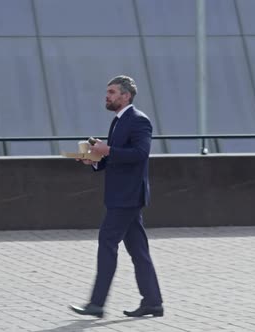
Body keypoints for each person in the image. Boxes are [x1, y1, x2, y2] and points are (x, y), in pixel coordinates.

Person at [69, 75, 163, 318]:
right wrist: (93, 159)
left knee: (107, 243)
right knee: (139, 252)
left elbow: (141, 153)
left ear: (126, 96)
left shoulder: (139, 121)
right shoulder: (118, 121)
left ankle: (97, 304)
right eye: (107, 92)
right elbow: (116, 158)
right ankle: (153, 302)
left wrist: (107, 149)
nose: (107, 96)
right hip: (122, 196)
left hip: (127, 197)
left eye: (112, 92)